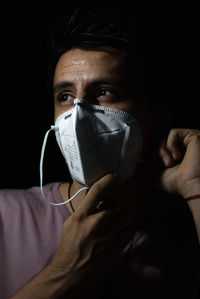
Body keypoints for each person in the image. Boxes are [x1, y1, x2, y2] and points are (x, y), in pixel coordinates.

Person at [0, 8, 199, 299]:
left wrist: (195, 187)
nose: (78, 115)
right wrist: (63, 273)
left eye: (105, 91)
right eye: (65, 96)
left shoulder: (186, 227)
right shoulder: (5, 216)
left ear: (158, 117)